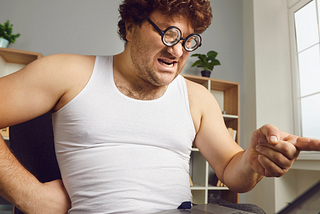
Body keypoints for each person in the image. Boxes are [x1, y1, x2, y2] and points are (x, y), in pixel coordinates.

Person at [0, 0, 319, 213]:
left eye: (190, 40)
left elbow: (233, 173)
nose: (179, 51)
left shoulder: (197, 98)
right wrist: (30, 195)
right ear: (129, 26)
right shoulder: (66, 73)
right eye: (170, 34)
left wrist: (254, 160)